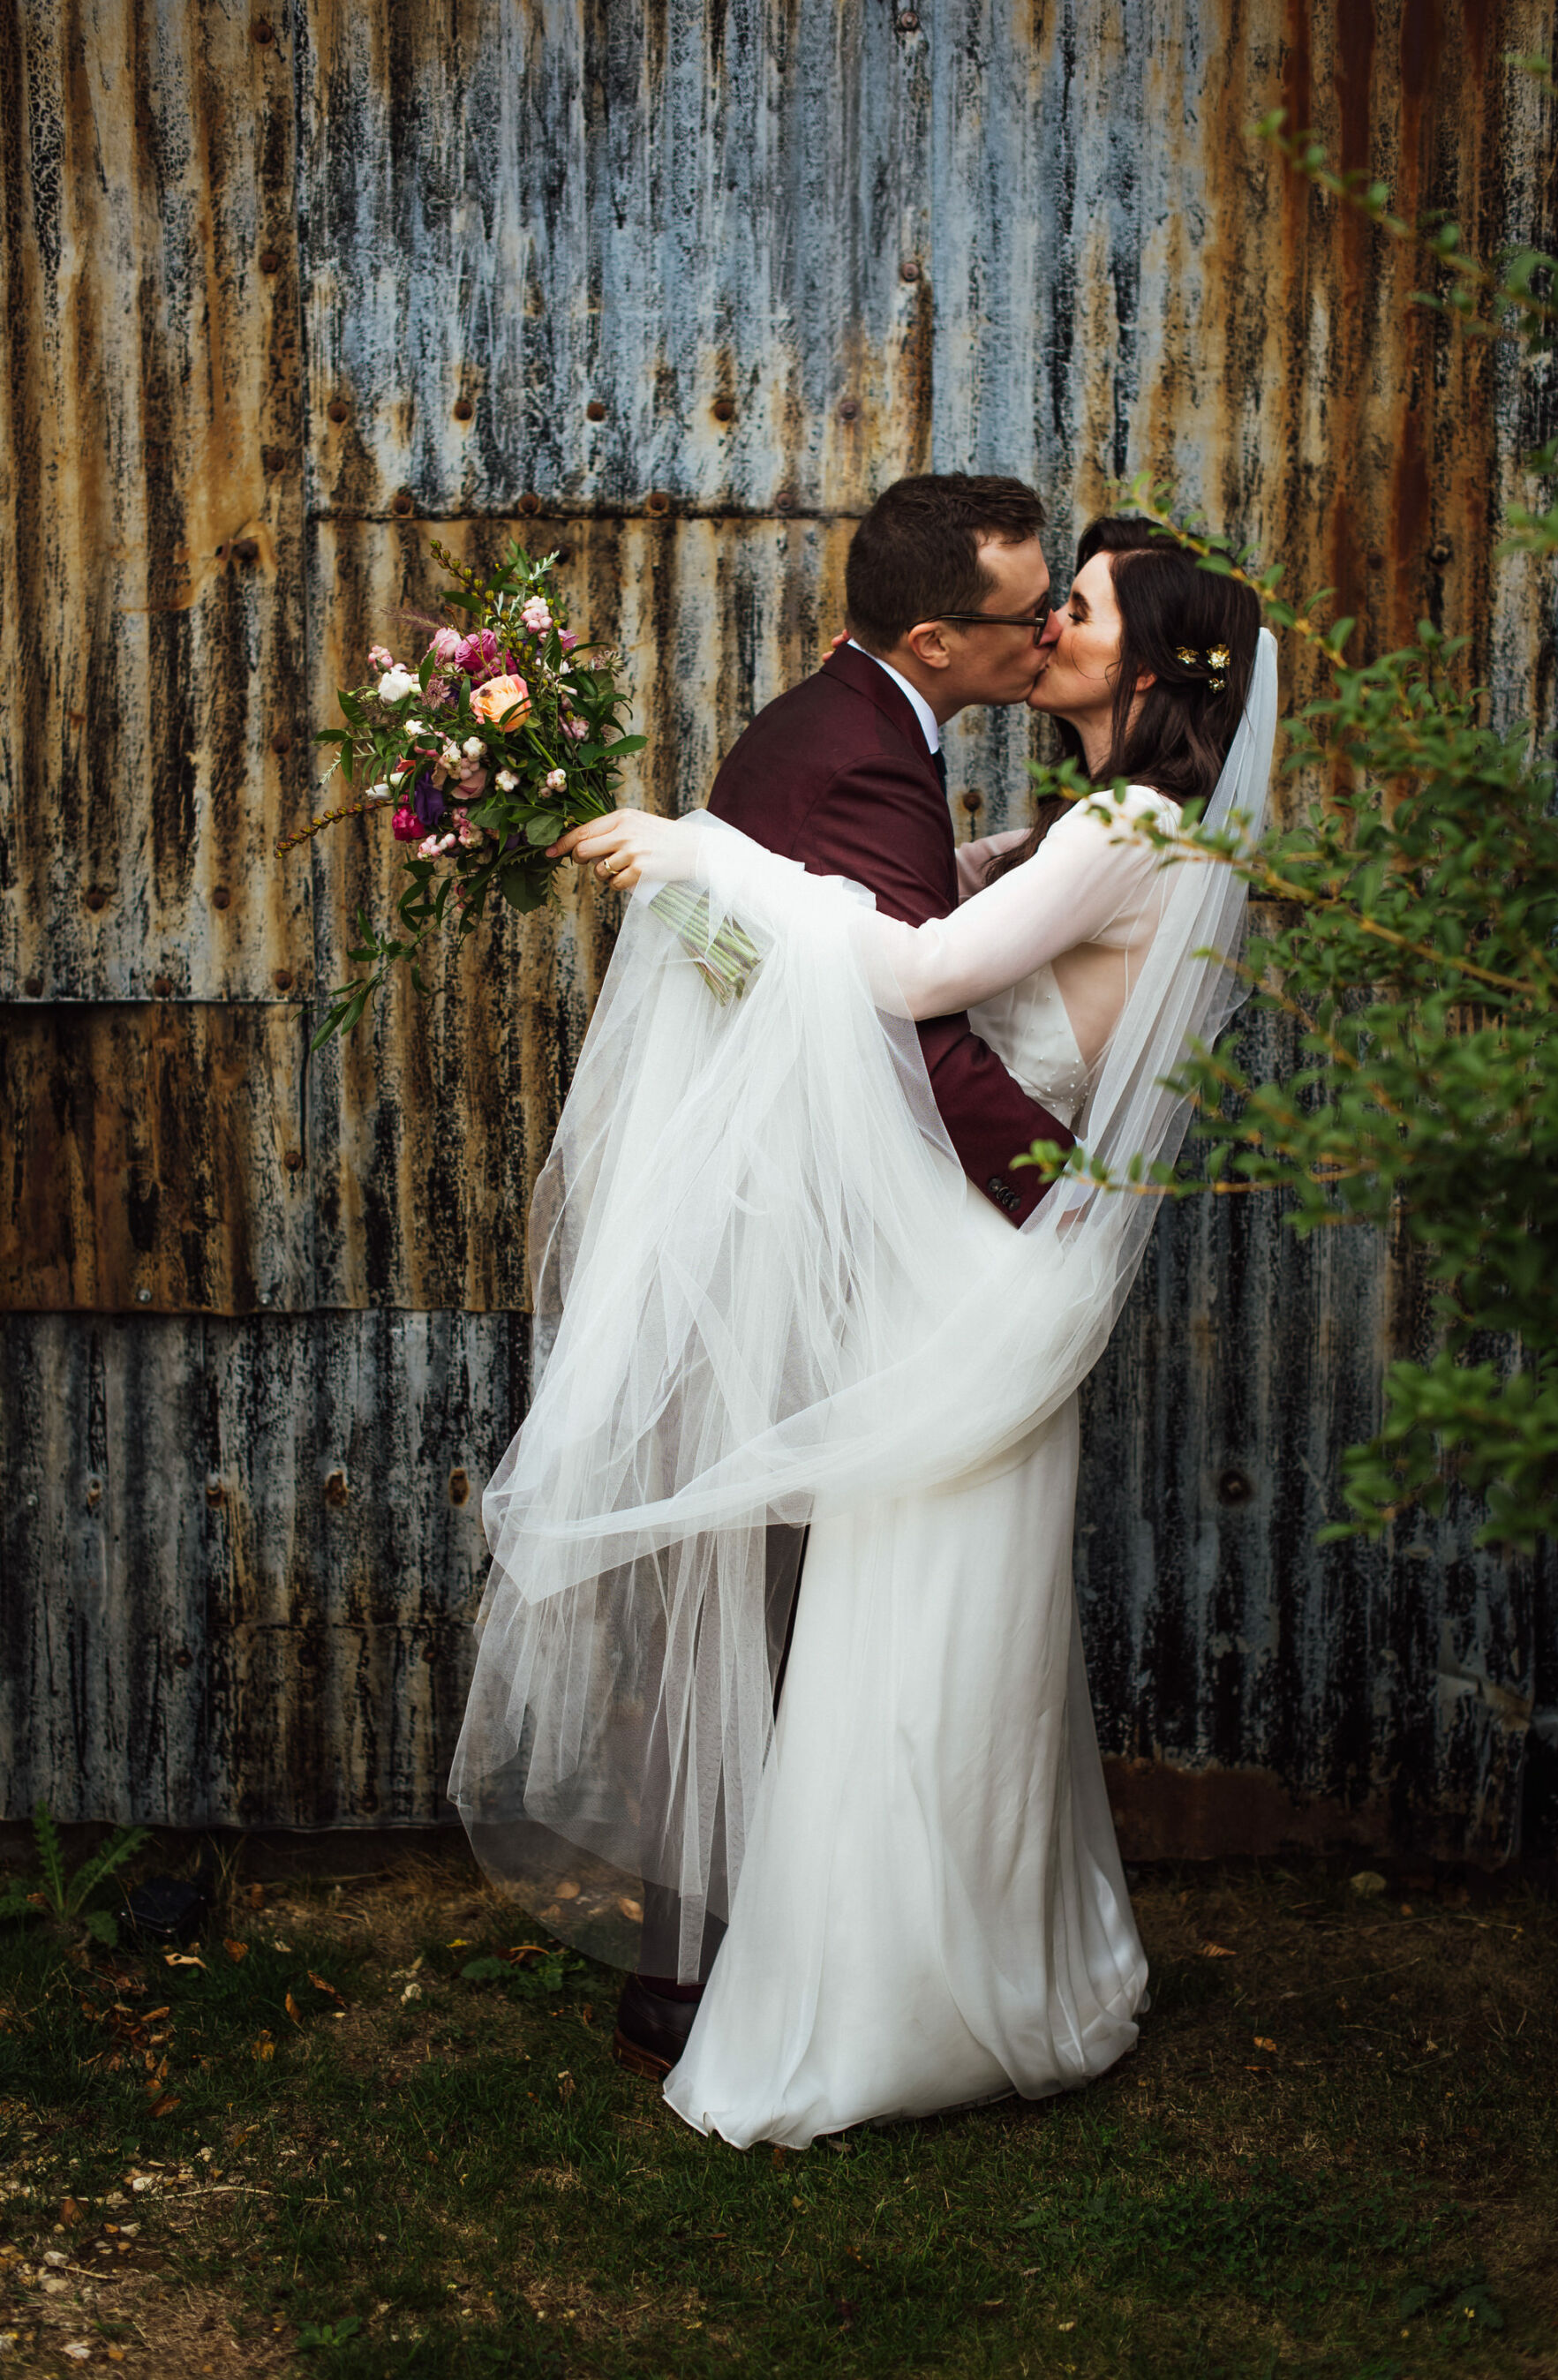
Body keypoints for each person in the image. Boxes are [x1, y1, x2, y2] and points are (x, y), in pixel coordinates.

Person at [449, 507, 1275, 2149]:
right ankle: (968, 1969)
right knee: (939, 1646)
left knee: (921, 1644)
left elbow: (909, 982)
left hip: (980, 1267)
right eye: (1045, 603)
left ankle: (892, 1998)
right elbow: (965, 920)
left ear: (1157, 659)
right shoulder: (1109, 822)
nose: (1052, 626)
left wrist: (708, 853)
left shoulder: (1127, 825)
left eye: (1082, 608)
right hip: (978, 1262)